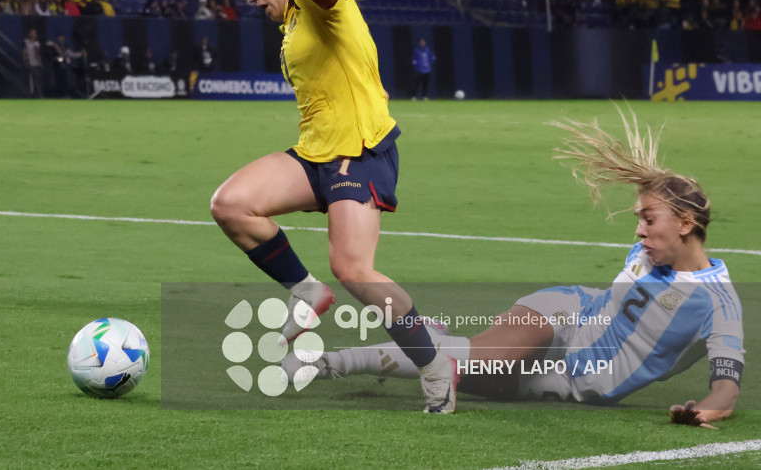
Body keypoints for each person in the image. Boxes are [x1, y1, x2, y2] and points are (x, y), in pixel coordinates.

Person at [283, 110, 744, 426]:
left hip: (575, 381)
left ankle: (429, 334)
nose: (639, 232)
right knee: (476, 359)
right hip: (564, 313)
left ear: (686, 225)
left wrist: (705, 410)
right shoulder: (653, 248)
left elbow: (726, 388)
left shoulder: (717, 305)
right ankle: (327, 363)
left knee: (462, 365)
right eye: (638, 219)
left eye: (648, 220)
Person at [211, 0, 457, 413]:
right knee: (231, 205)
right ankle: (306, 291)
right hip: (316, 152)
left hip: (360, 151)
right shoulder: (290, 23)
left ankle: (434, 367)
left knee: (354, 269)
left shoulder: (320, 5)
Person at [23, 29, 44, 98]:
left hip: (36, 64)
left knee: (37, 80)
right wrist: (26, 61)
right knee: (30, 80)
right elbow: (24, 52)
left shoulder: (37, 43)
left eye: (34, 33)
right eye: (32, 33)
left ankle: (38, 94)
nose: (33, 35)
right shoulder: (27, 42)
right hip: (29, 63)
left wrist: (40, 62)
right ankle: (30, 94)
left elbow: (38, 54)